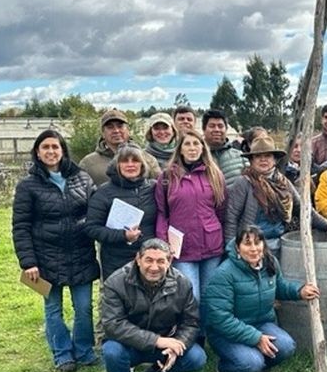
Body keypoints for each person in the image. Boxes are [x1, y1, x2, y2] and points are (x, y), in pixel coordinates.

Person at [12, 130, 99, 372]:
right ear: (38, 153)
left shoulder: (82, 178)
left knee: (84, 307)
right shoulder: (28, 186)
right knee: (53, 308)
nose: (51, 151)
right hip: (45, 258)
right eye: (46, 147)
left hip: (81, 253)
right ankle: (62, 354)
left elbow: (96, 211)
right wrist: (28, 261)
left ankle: (83, 350)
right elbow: (21, 226)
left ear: (63, 151)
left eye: (55, 147)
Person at [101, 238, 207, 372]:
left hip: (165, 344)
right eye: (149, 260)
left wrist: (178, 345)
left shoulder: (182, 283)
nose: (154, 267)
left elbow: (191, 322)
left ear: (170, 261)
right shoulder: (116, 282)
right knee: (111, 350)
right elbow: (113, 324)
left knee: (197, 358)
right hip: (130, 344)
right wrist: (156, 341)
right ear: (138, 259)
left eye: (160, 261)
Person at [202, 226, 319, 372]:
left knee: (286, 346)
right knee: (251, 364)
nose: (253, 249)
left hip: (261, 323)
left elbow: (280, 287)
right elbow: (221, 319)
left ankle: (255, 364)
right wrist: (256, 338)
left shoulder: (269, 263)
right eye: (247, 244)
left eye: (257, 243)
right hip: (226, 333)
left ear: (263, 245)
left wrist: (299, 291)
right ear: (237, 247)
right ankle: (224, 369)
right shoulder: (224, 274)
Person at [225, 136, 327, 255]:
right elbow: (231, 218)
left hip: (278, 244)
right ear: (251, 161)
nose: (263, 160)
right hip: (252, 247)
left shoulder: (283, 182)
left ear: (275, 160)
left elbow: (303, 209)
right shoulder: (243, 183)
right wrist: (233, 250)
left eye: (267, 156)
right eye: (258, 157)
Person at [155, 129, 227, 302]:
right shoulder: (167, 178)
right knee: (191, 296)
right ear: (180, 149)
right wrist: (164, 243)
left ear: (203, 148)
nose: (192, 148)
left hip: (211, 244)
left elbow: (221, 210)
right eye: (187, 144)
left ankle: (208, 330)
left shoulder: (215, 175)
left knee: (210, 296)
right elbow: (161, 213)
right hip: (182, 248)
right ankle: (192, 330)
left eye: (196, 143)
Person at [85, 145, 157, 280]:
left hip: (149, 259)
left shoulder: (154, 188)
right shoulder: (104, 192)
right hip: (116, 260)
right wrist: (123, 235)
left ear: (142, 165)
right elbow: (91, 228)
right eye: (125, 161)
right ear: (117, 165)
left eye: (135, 160)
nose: (130, 165)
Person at [79, 109, 160, 186]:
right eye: (110, 127)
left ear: (128, 130)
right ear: (103, 133)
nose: (116, 131)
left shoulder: (148, 159)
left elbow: (159, 190)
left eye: (120, 126)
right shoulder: (88, 164)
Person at [202, 109, 247, 189]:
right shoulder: (196, 158)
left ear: (226, 129)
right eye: (212, 126)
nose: (216, 130)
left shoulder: (241, 157)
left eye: (220, 126)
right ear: (204, 129)